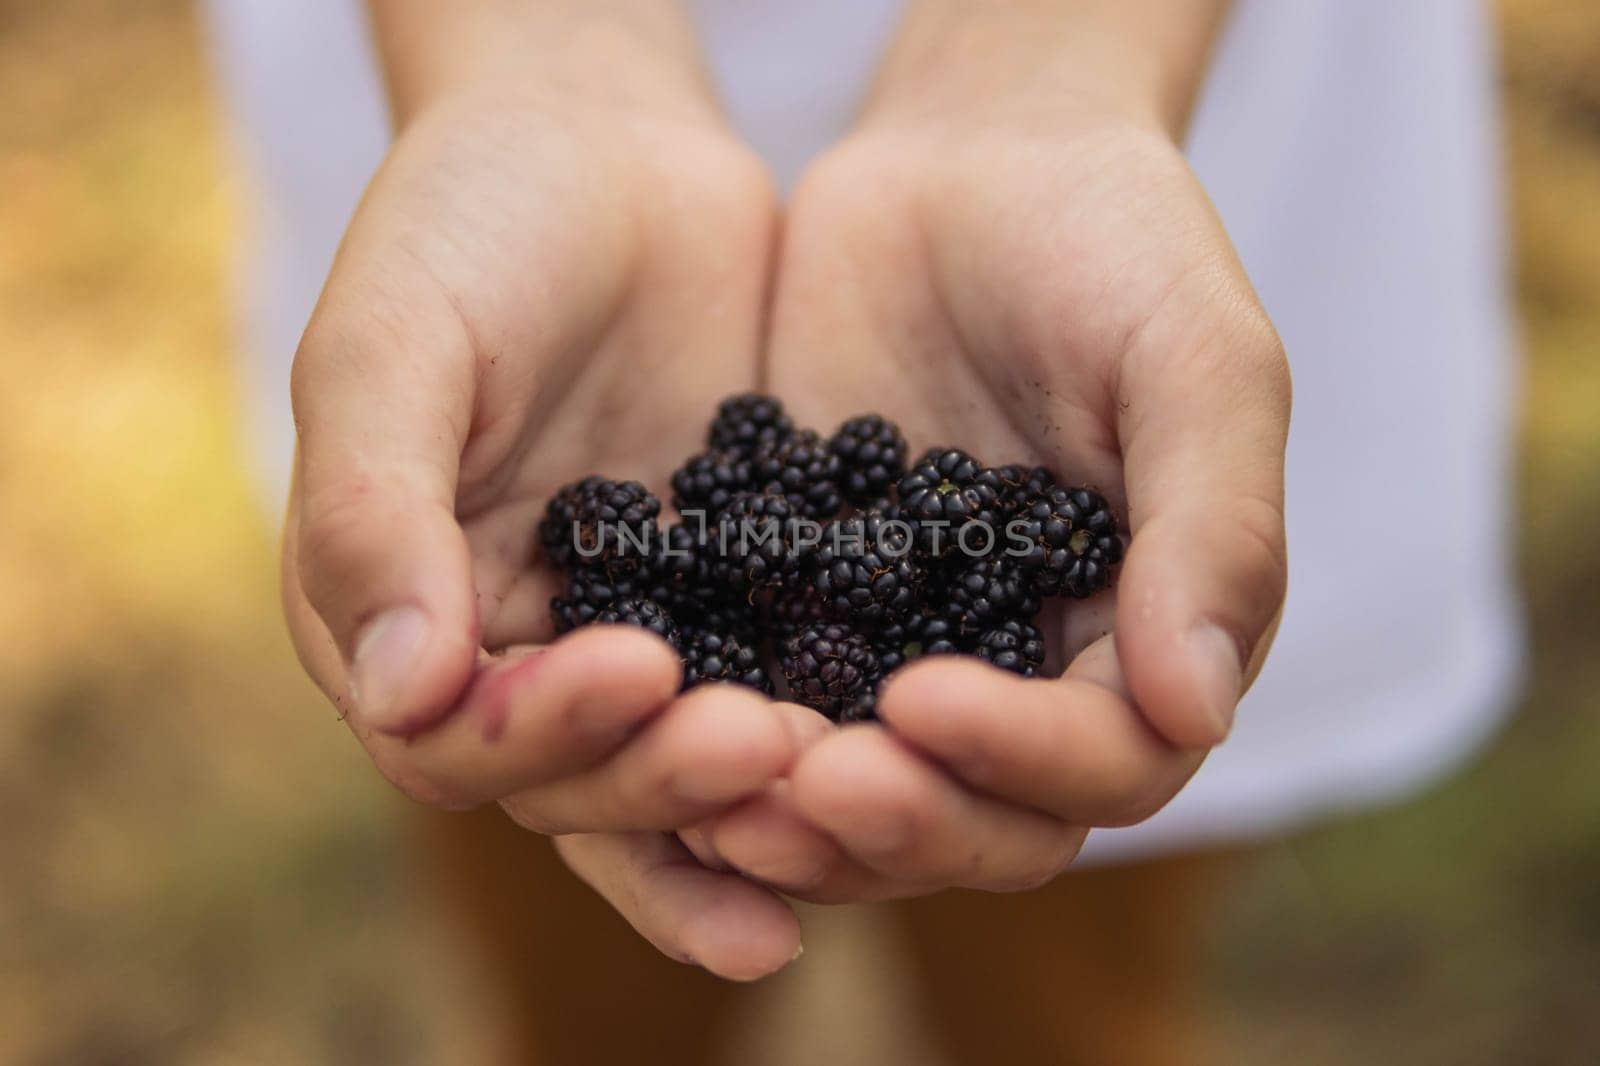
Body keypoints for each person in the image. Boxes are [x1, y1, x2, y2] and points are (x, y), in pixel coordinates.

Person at [203, 1, 1522, 1062]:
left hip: (1151, 131)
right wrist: (536, 48)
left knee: (1066, 1008)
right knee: (583, 964)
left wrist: (1045, 54)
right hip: (508, 184)